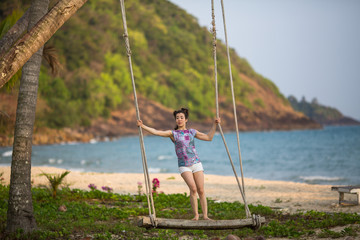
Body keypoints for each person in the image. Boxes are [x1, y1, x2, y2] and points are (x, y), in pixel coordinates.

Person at [137, 107, 220, 220]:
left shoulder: (192, 132)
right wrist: (142, 126)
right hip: (184, 165)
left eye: (181, 117)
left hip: (196, 163)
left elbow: (209, 137)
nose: (179, 119)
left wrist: (215, 125)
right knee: (193, 189)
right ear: (175, 120)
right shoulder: (173, 134)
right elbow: (157, 132)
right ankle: (196, 215)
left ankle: (205, 216)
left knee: (201, 190)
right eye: (177, 118)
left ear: (186, 119)